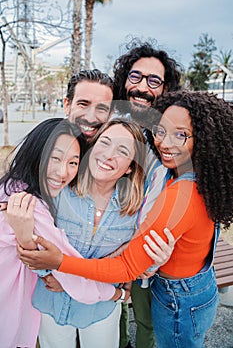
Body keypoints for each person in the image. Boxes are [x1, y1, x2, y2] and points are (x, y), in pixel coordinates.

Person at [20, 91, 233, 348]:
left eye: (181, 134)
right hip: (54, 304)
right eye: (161, 131)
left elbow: (129, 266)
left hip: (151, 303)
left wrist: (64, 267)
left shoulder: (144, 208)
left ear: (131, 166)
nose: (165, 143)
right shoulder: (60, 190)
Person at [0, 118, 122, 348]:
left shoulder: (12, 186)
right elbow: (70, 271)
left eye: (73, 162)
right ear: (36, 152)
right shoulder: (30, 206)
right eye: (54, 158)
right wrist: (117, 295)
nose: (62, 171)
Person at [113, 37, 182, 348]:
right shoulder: (109, 126)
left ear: (166, 90)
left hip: (149, 250)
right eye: (135, 76)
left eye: (154, 80)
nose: (142, 87)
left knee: (146, 319)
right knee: (112, 312)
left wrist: (138, 259)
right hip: (106, 242)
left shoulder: (171, 140)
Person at [64, 69, 114, 141]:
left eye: (101, 109)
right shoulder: (45, 143)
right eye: (83, 104)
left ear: (110, 114)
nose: (90, 119)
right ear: (67, 105)